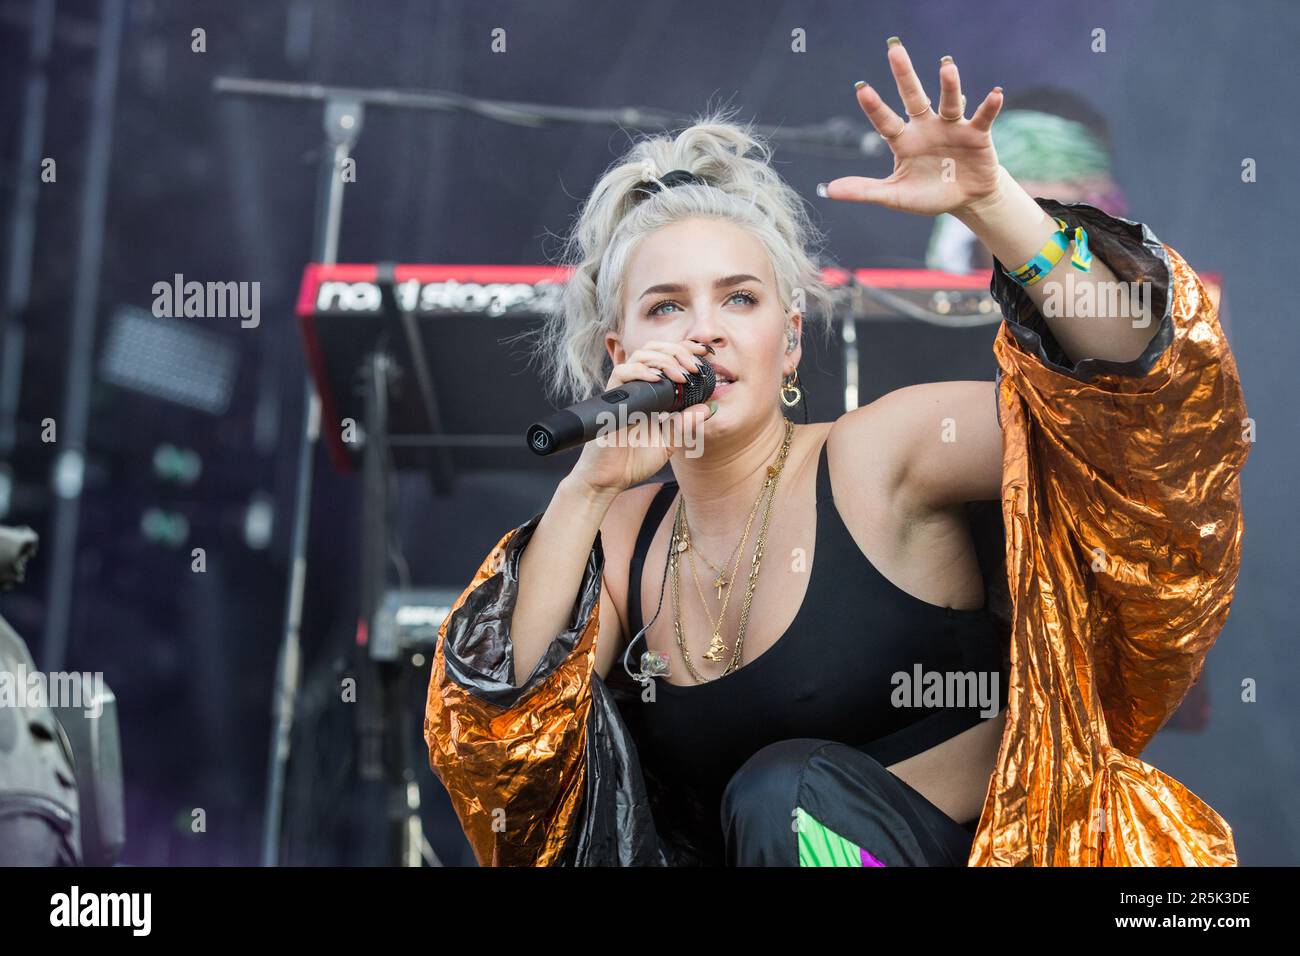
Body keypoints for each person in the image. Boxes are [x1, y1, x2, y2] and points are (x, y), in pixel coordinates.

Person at [424, 37, 1249, 866]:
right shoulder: (620, 536)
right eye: (666, 307)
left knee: (784, 793)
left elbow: (1135, 415)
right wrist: (588, 484)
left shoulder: (880, 457)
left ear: (788, 343)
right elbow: (506, 756)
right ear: (618, 351)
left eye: (738, 299)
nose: (703, 329)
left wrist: (999, 208)